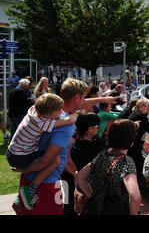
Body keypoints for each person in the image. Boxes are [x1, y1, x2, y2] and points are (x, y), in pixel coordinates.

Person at [16, 78, 120, 215]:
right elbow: (59, 159)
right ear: (76, 97)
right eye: (83, 97)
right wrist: (79, 179)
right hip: (46, 185)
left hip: (30, 179)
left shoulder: (49, 108)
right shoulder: (65, 126)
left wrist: (101, 100)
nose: (85, 101)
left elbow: (76, 104)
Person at [7, 93, 78, 210]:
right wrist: (74, 113)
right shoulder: (42, 124)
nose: (61, 113)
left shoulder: (33, 110)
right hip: (19, 158)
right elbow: (69, 120)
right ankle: (30, 190)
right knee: (55, 160)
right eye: (59, 111)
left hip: (13, 152)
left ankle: (20, 199)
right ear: (48, 115)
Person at [76, 119, 141, 215]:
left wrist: (93, 197)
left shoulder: (104, 154)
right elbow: (135, 196)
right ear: (130, 139)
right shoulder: (126, 162)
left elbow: (80, 176)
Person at [126, 99, 149, 191]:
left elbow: (146, 125)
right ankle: (138, 187)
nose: (147, 108)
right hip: (134, 144)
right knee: (138, 164)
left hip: (131, 143)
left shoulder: (136, 113)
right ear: (140, 106)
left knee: (135, 162)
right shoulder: (140, 116)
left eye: (147, 106)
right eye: (145, 106)